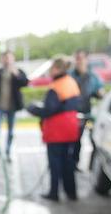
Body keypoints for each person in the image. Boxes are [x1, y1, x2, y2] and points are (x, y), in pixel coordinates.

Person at [27, 57, 81, 202]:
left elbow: (49, 110)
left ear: (57, 69)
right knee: (68, 162)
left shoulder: (56, 87)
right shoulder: (71, 82)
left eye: (51, 68)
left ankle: (54, 193)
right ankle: (72, 193)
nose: (50, 71)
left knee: (55, 163)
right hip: (71, 128)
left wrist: (32, 109)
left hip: (57, 131)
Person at [0, 51, 29, 165]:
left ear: (13, 59)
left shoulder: (18, 72)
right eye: (5, 58)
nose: (7, 60)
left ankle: (8, 153)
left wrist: (16, 74)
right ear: (2, 59)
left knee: (10, 132)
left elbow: (25, 82)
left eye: (9, 58)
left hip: (12, 108)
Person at [70, 49, 105, 170]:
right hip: (74, 115)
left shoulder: (93, 76)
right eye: (77, 58)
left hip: (88, 116)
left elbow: (100, 92)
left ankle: (92, 166)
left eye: (81, 58)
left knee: (93, 138)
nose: (79, 61)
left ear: (86, 60)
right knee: (76, 140)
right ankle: (74, 163)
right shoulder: (70, 75)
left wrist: (101, 94)